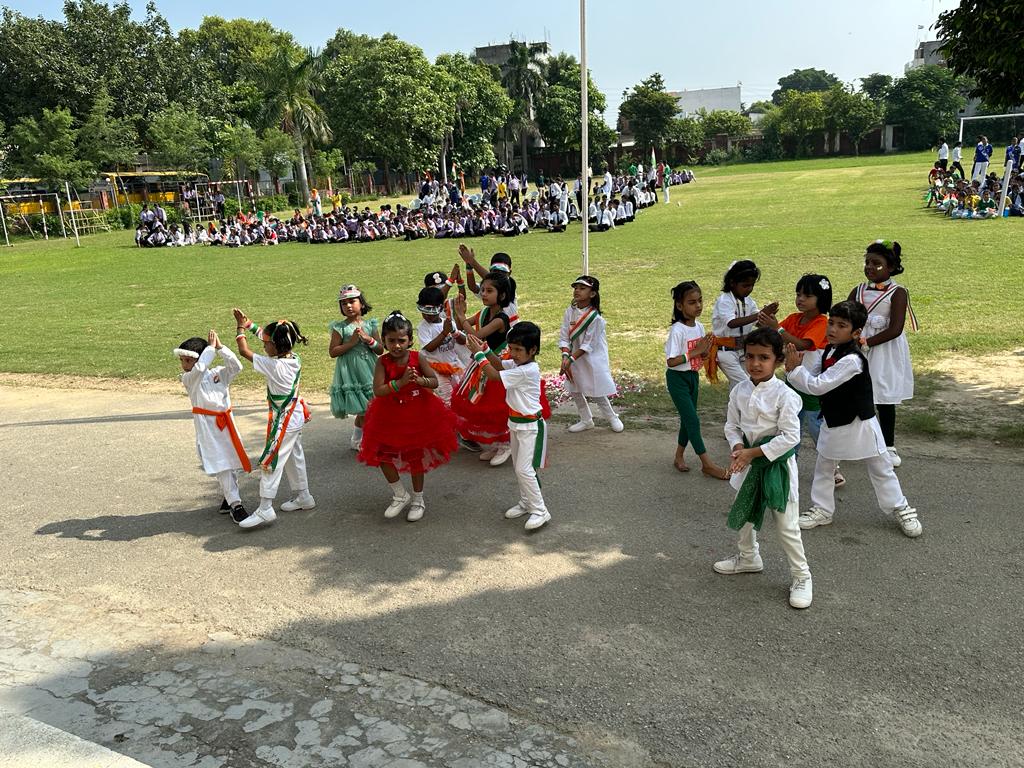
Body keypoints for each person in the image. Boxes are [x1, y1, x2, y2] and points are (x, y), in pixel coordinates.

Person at [785, 300, 922, 538]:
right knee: (824, 467)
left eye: (841, 325)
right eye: (831, 323)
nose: (832, 329)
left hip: (861, 423)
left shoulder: (852, 360)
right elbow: (813, 374)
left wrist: (794, 371)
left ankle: (900, 507)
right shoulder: (828, 350)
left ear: (856, 333)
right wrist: (794, 366)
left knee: (881, 468)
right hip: (833, 421)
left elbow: (818, 386)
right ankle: (822, 509)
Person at [712, 327, 813, 609]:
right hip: (746, 463)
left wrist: (753, 453)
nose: (755, 363)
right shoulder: (739, 391)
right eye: (750, 356)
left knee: (786, 525)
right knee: (745, 511)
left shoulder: (785, 396)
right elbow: (732, 425)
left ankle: (802, 576)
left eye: (764, 358)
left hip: (777, 468)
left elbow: (790, 437)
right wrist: (737, 447)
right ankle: (748, 557)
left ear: (778, 360)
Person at [358, 311, 457, 522]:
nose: (396, 345)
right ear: (384, 340)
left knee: (415, 459)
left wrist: (421, 382)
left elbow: (434, 381)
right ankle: (399, 494)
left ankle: (418, 499)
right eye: (391, 341)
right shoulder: (382, 362)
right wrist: (400, 383)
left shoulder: (417, 357)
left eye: (401, 341)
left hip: (416, 415)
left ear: (410, 340)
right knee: (382, 455)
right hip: (389, 415)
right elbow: (378, 390)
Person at [232, 310, 313, 529]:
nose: (263, 346)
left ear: (276, 346)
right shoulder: (293, 358)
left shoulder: (274, 365)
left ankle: (265, 507)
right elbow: (266, 335)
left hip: (284, 420)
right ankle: (303, 496)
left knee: (271, 461)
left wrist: (240, 328)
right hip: (295, 415)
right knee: (294, 455)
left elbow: (243, 350)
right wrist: (249, 324)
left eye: (266, 344)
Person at [466, 322, 550, 531]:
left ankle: (540, 510)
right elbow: (499, 365)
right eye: (511, 348)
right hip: (516, 423)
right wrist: (485, 349)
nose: (512, 354)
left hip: (531, 427)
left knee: (525, 470)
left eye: (518, 350)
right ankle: (527, 502)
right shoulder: (518, 364)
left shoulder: (528, 370)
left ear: (533, 350)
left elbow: (494, 375)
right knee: (519, 469)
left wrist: (478, 354)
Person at [848, 240, 916, 466]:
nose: (869, 267)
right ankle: (857, 442)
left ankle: (888, 446)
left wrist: (866, 341)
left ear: (891, 267)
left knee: (884, 397)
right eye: (867, 262)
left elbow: (895, 328)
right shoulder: (858, 290)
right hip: (857, 349)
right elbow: (846, 316)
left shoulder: (898, 293)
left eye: (876, 263)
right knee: (857, 393)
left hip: (884, 349)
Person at [174, 330, 251, 523]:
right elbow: (200, 368)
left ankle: (228, 496)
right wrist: (209, 349)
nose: (184, 365)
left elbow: (237, 366)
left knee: (231, 461)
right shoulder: (189, 379)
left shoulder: (217, 374)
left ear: (199, 358)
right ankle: (236, 504)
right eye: (182, 360)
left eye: (188, 360)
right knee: (221, 463)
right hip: (207, 427)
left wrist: (220, 348)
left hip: (226, 423)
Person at [757, 274, 832, 461]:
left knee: (815, 425)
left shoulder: (822, 322)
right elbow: (770, 333)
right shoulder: (793, 318)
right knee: (791, 424)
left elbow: (803, 344)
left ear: (821, 299)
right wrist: (764, 319)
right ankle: (791, 461)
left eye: (807, 296)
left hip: (810, 383)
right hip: (792, 380)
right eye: (798, 294)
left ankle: (831, 462)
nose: (800, 299)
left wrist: (777, 328)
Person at [665, 281, 728, 479]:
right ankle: (707, 464)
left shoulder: (699, 327)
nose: (698, 305)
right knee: (693, 420)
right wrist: (695, 352)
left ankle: (678, 456)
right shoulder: (677, 330)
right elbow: (671, 361)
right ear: (680, 306)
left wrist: (706, 352)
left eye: (700, 300)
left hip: (692, 377)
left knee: (688, 419)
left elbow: (701, 354)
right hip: (677, 379)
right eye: (692, 302)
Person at [451, 271, 515, 466]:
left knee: (498, 407)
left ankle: (506, 444)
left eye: (489, 291)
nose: (484, 294)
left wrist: (461, 316)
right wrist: (459, 312)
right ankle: (496, 443)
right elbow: (462, 326)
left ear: (501, 295)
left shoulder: (501, 319)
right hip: (482, 362)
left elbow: (476, 337)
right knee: (482, 405)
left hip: (497, 364)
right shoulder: (484, 313)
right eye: (483, 290)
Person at [558, 275, 623, 434]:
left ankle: (612, 417)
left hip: (592, 357)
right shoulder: (569, 311)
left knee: (596, 387)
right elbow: (564, 336)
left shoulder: (596, 318)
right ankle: (586, 419)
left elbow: (588, 344)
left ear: (592, 294)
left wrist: (571, 358)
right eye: (576, 288)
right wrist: (565, 356)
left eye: (582, 288)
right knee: (575, 388)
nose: (577, 291)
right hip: (573, 357)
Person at [328, 285, 382, 451]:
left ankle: (359, 438)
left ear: (362, 303)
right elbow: (333, 352)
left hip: (370, 369)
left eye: (352, 302)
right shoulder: (340, 328)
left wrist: (369, 340)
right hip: (351, 372)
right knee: (364, 408)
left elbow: (380, 349)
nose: (348, 306)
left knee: (370, 406)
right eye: (344, 303)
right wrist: (351, 343)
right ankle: (364, 440)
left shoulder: (370, 325)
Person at [711, 260, 778, 391]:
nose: (749, 289)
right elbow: (731, 323)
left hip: (744, 350)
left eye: (752, 285)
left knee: (740, 387)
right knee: (745, 384)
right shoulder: (725, 300)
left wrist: (767, 316)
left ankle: (735, 404)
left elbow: (757, 323)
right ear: (732, 283)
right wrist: (760, 314)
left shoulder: (749, 301)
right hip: (726, 352)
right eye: (745, 285)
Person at [417, 285, 465, 406]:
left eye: (431, 313)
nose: (427, 316)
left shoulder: (448, 323)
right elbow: (429, 348)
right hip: (437, 370)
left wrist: (454, 331)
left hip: (454, 366)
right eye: (424, 313)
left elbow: (462, 341)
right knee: (447, 401)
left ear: (440, 308)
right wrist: (444, 333)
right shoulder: (423, 327)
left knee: (461, 394)